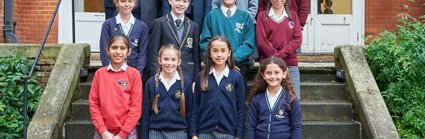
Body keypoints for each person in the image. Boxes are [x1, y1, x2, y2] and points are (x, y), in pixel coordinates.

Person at [190, 36, 246, 139]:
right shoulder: (201, 76)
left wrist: (239, 135)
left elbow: (241, 109)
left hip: (228, 133)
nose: (219, 54)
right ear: (210, 53)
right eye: (215, 51)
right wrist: (193, 134)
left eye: (223, 51)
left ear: (228, 52)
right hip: (204, 132)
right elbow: (195, 107)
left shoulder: (236, 77)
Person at [89, 34, 143, 139]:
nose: (118, 52)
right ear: (107, 50)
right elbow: (94, 105)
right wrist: (103, 131)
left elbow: (136, 108)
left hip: (127, 133)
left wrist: (122, 134)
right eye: (114, 47)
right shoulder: (99, 74)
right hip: (103, 133)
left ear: (129, 52)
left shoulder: (134, 74)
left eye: (122, 48)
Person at [200, 0, 256, 93]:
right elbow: (205, 42)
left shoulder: (245, 17)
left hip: (238, 67)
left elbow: (248, 44)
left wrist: (232, 60)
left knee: (237, 102)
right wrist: (221, 59)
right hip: (215, 67)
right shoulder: (211, 16)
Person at [141, 45, 193, 139]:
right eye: (166, 59)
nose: (169, 63)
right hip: (155, 133)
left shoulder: (186, 83)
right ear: (159, 60)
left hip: (180, 133)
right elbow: (145, 114)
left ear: (179, 62)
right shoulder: (151, 83)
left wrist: (190, 135)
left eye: (173, 59)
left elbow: (190, 113)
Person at [246, 57, 302, 139]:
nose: (273, 76)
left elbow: (296, 129)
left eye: (276, 72)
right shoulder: (257, 99)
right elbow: (250, 127)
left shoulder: (291, 100)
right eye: (269, 73)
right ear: (263, 75)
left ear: (284, 74)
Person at [256, 0, 302, 98]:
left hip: (290, 65)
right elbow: (262, 42)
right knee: (265, 100)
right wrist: (275, 59)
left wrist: (279, 56)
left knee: (294, 99)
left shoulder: (293, 16)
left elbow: (297, 39)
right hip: (267, 65)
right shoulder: (262, 16)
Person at [148, 0, 201, 81]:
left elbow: (196, 57)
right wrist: (156, 77)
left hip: (188, 76)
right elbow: (153, 55)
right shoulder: (159, 23)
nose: (181, 4)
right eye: (177, 0)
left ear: (189, 3)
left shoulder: (194, 26)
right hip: (164, 75)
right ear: (169, 1)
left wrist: (195, 80)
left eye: (185, 1)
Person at [99, 0, 149, 78]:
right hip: (113, 73)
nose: (126, 4)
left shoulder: (142, 26)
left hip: (133, 74)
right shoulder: (108, 25)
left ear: (134, 3)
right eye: (123, 1)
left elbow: (142, 53)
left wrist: (137, 74)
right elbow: (104, 51)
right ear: (117, 3)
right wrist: (110, 72)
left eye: (130, 1)